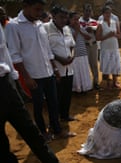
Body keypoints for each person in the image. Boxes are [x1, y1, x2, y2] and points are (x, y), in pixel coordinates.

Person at [0, 18, 80, 163]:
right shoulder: (14, 26)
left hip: (6, 83)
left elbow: (5, 53)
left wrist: (15, 81)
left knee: (31, 131)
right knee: (1, 144)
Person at [5, 0, 76, 141]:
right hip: (33, 74)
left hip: (48, 72)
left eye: (41, 10)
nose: (40, 13)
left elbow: (47, 49)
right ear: (26, 6)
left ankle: (57, 130)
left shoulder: (39, 25)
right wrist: (26, 77)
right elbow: (15, 55)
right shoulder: (14, 26)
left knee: (54, 103)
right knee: (38, 106)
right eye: (37, 10)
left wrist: (54, 69)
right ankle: (43, 133)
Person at [44, 5, 76, 121]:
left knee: (67, 94)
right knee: (56, 95)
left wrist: (72, 57)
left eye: (65, 18)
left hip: (69, 68)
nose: (64, 20)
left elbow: (72, 45)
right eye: (61, 17)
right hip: (56, 69)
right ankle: (55, 120)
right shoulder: (45, 28)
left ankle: (65, 115)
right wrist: (60, 60)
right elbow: (46, 50)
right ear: (54, 16)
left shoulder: (67, 29)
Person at [96, 6, 121, 89]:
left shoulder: (114, 22)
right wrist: (108, 35)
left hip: (114, 47)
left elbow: (119, 35)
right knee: (107, 65)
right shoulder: (100, 24)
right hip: (106, 48)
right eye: (106, 13)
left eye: (110, 13)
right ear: (103, 14)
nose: (108, 14)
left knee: (114, 64)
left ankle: (114, 82)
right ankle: (108, 83)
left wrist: (115, 35)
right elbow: (97, 38)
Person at [69, 11, 93, 93]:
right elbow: (72, 42)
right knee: (77, 73)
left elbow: (89, 37)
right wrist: (76, 31)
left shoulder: (80, 28)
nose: (76, 21)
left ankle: (85, 88)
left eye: (78, 19)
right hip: (74, 55)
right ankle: (77, 89)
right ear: (70, 20)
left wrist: (80, 30)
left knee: (83, 72)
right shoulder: (67, 29)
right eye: (75, 19)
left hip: (83, 53)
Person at [79, 4, 100, 90]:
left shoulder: (94, 21)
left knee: (94, 65)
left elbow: (98, 33)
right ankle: (86, 83)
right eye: (86, 11)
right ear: (83, 11)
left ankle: (96, 82)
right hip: (84, 46)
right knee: (85, 65)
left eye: (89, 11)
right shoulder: (79, 22)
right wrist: (84, 30)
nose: (88, 12)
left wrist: (94, 31)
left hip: (94, 45)